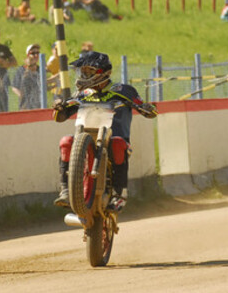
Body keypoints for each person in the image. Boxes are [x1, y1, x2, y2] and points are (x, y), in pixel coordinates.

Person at [52, 51, 157, 212]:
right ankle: (65, 189)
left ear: (104, 72)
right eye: (82, 71)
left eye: (89, 71)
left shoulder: (123, 90)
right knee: (66, 141)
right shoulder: (83, 94)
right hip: (86, 136)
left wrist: (146, 107)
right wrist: (59, 108)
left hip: (115, 136)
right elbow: (60, 117)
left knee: (117, 143)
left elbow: (147, 109)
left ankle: (119, 193)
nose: (84, 75)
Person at [12, 44, 43, 110]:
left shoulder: (40, 69)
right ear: (28, 55)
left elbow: (43, 84)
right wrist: (23, 96)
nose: (36, 55)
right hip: (26, 106)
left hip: (39, 104)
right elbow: (14, 87)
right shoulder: (21, 70)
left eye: (38, 53)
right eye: (33, 53)